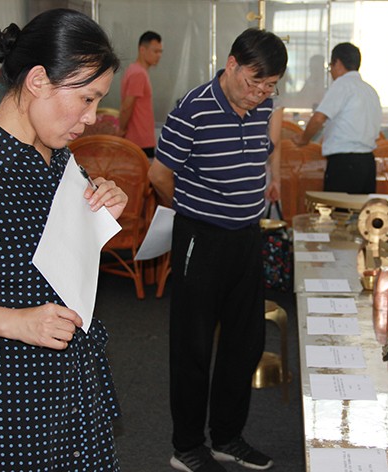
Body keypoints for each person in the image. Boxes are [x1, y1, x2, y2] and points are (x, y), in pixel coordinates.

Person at [0, 9, 127, 471]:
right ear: (38, 80)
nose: (92, 117)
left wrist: (99, 215)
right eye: (86, 98)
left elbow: (47, 265)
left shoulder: (60, 161)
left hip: (68, 387)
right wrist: (15, 322)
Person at [148, 28, 287, 472]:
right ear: (231, 65)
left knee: (245, 343)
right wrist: (190, 210)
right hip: (201, 239)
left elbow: (267, 149)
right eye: (254, 82)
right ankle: (187, 447)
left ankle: (227, 436)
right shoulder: (193, 109)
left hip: (246, 237)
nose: (260, 93)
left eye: (269, 86)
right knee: (193, 346)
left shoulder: (262, 106)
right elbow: (158, 174)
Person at [292, 42, 382, 194]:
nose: (331, 72)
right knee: (360, 208)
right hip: (367, 163)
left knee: (338, 208)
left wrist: (303, 139)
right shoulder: (370, 90)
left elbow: (319, 118)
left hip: (345, 164)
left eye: (330, 66)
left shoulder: (342, 85)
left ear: (338, 63)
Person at [120, 31, 163, 158]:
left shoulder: (136, 71)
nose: (159, 55)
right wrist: (121, 130)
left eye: (160, 52)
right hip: (139, 140)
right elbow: (127, 106)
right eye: (155, 51)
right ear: (142, 50)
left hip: (140, 138)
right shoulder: (138, 73)